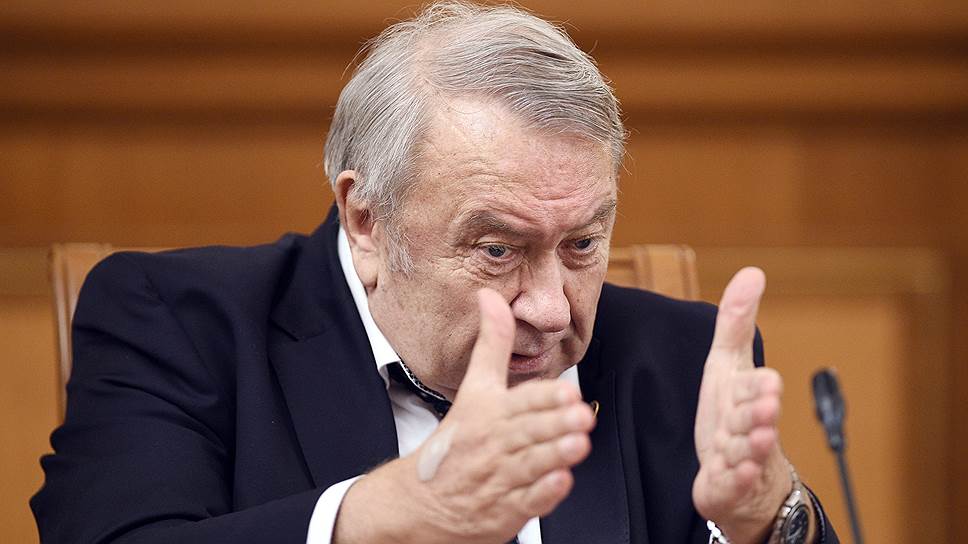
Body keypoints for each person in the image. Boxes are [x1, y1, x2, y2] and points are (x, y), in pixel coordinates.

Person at [32, 2, 837, 543]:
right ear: (366, 220)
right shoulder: (177, 321)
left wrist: (772, 516)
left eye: (582, 244)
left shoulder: (681, 361)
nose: (552, 310)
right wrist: (384, 514)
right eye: (498, 250)